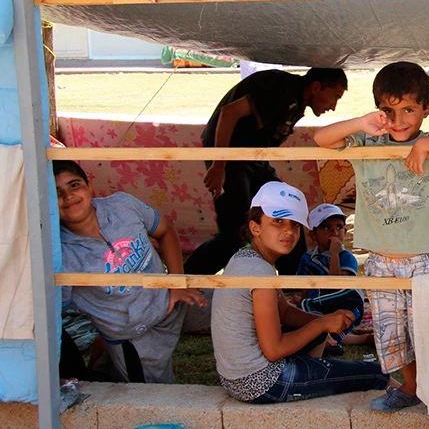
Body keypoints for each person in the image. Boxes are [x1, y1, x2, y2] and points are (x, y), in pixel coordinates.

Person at [314, 61, 429, 413]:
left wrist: (423, 146)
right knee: (391, 336)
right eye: (389, 110)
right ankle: (411, 386)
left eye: (408, 110)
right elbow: (321, 138)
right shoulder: (365, 142)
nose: (399, 120)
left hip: (425, 262)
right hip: (381, 261)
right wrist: (362, 122)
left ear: (426, 110)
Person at [210, 181, 391, 404]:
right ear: (255, 227)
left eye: (294, 224)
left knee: (317, 332)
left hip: (236, 378)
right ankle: (419, 404)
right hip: (262, 383)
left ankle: (312, 373)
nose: (288, 230)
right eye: (278, 221)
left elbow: (285, 313)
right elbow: (274, 350)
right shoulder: (259, 272)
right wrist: (322, 324)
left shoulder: (245, 259)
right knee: (375, 373)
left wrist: (324, 320)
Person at [54, 160, 210, 384]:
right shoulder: (59, 254)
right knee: (159, 402)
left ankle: (105, 353)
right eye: (57, 192)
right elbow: (50, 311)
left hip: (173, 301)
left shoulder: (122, 205)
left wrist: (176, 283)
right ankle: (109, 356)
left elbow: (165, 230)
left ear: (90, 186)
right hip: (136, 337)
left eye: (74, 185)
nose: (68, 196)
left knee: (242, 302)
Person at [185, 68, 348, 277]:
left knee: (290, 211)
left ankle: (294, 286)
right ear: (316, 87)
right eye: (334, 96)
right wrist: (219, 164)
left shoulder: (296, 101)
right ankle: (181, 281)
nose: (333, 106)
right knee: (235, 234)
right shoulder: (281, 90)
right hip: (231, 159)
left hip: (254, 160)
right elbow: (229, 113)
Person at [296, 203, 366, 345]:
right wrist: (301, 300)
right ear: (313, 235)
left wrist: (334, 253)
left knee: (307, 308)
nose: (334, 232)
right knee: (303, 312)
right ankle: (361, 339)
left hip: (347, 303)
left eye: (339, 227)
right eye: (327, 227)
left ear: (345, 232)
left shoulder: (346, 257)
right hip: (322, 306)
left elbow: (337, 284)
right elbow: (304, 285)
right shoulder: (307, 257)